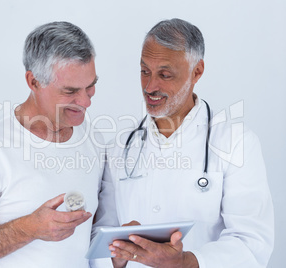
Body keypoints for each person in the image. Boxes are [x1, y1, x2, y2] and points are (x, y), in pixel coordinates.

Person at [92, 18, 274, 268]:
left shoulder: (236, 143)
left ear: (197, 71)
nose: (150, 86)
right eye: (145, 71)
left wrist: (186, 262)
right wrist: (117, 256)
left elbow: (253, 243)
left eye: (164, 75)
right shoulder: (121, 146)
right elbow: (100, 235)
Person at [0, 21, 104, 267]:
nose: (85, 102)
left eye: (91, 86)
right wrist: (27, 229)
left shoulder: (93, 139)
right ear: (34, 81)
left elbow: (87, 236)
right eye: (70, 91)